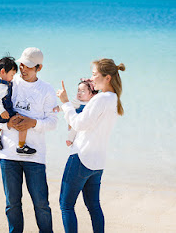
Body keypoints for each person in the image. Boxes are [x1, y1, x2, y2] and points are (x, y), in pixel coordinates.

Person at [0, 47, 58, 233]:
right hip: (7, 154)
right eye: (21, 65)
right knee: (12, 204)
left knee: (41, 204)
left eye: (29, 67)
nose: (23, 69)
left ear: (39, 68)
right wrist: (8, 123)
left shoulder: (47, 90)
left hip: (34, 156)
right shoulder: (8, 82)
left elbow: (52, 123)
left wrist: (32, 123)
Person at [56, 58, 126, 233]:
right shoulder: (114, 99)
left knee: (66, 205)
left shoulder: (100, 99)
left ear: (107, 77)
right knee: (94, 206)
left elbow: (79, 124)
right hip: (98, 162)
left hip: (82, 157)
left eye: (94, 75)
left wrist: (65, 103)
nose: (91, 78)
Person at [0, 56, 36, 155]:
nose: (12, 77)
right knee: (23, 123)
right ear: (3, 72)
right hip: (0, 112)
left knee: (10, 117)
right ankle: (21, 146)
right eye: (12, 74)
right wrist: (1, 110)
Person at [65, 78, 98, 147]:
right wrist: (58, 108)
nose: (79, 93)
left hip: (86, 126)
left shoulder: (92, 104)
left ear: (92, 94)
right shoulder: (78, 103)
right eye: (78, 91)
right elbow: (67, 106)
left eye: (83, 91)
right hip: (77, 121)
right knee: (75, 129)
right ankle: (70, 139)